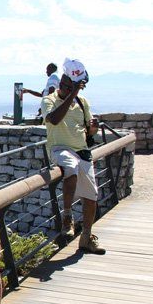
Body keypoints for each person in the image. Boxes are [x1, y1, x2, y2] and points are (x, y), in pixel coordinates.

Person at [41, 58, 105, 255]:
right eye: (69, 87)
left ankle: (86, 237)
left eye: (75, 88)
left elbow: (88, 131)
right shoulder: (49, 100)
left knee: (91, 195)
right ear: (62, 84)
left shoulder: (82, 102)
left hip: (82, 150)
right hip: (60, 148)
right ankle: (67, 218)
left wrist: (93, 128)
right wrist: (72, 95)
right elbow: (54, 119)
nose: (72, 91)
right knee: (70, 168)